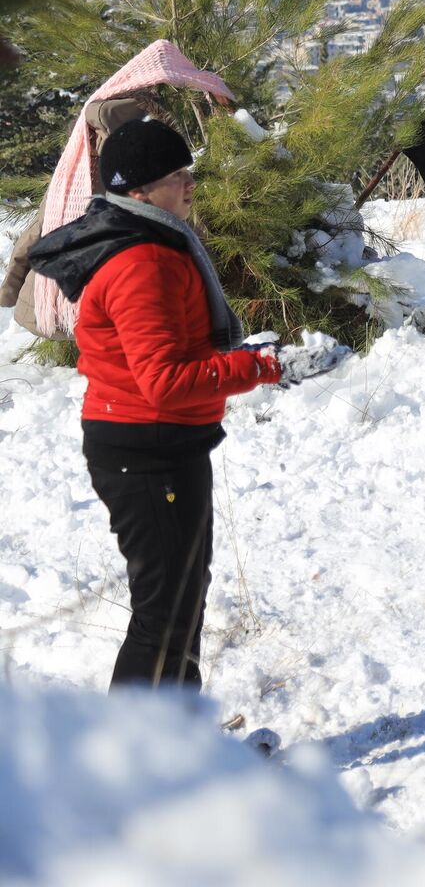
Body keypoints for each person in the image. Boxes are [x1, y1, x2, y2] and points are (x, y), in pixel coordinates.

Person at [28, 120, 340, 689]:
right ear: (140, 189)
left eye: (187, 170)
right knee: (164, 615)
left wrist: (248, 355)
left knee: (180, 600)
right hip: (146, 450)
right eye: (177, 175)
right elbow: (165, 380)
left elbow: (170, 353)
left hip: (157, 443)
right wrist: (264, 367)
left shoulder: (150, 242)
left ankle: (178, 746)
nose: (191, 183)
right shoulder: (141, 261)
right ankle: (140, 760)